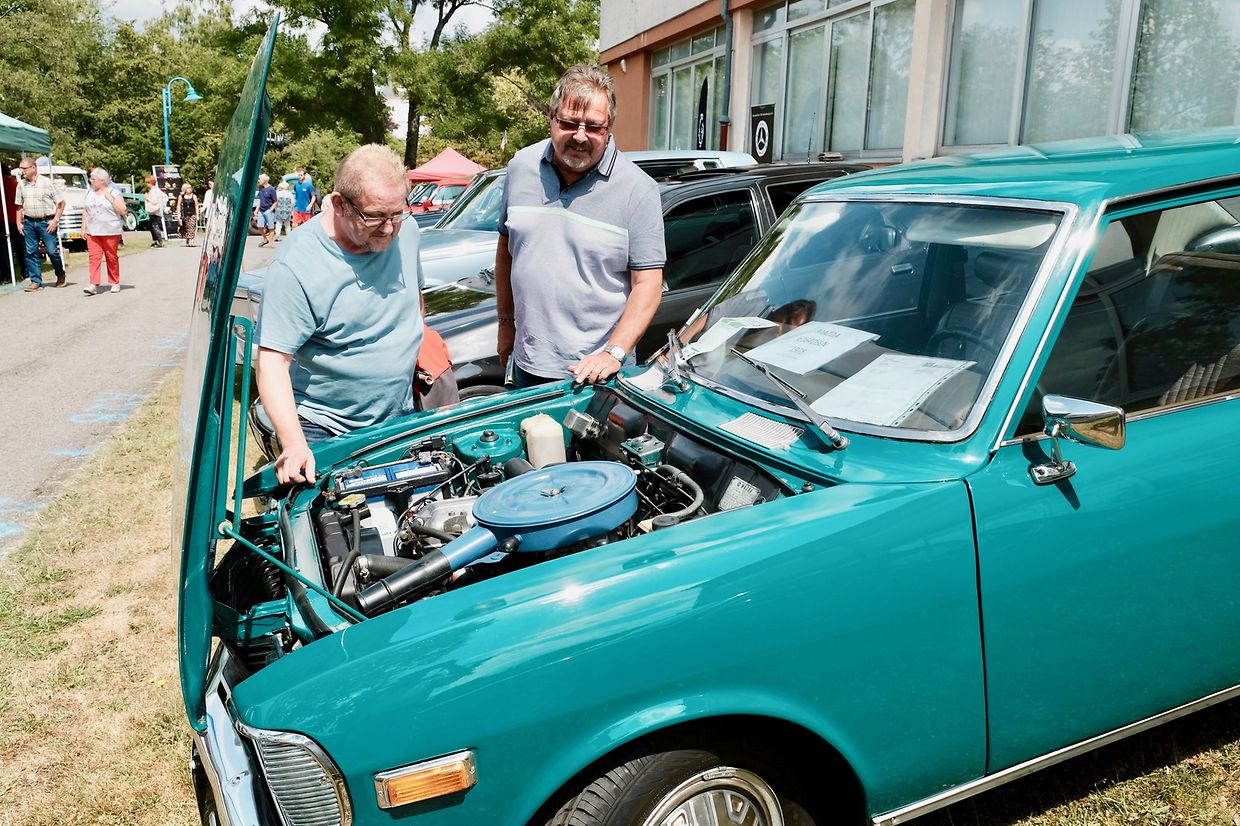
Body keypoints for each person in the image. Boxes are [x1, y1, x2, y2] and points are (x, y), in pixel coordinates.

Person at [255, 144, 427, 485]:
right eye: (375, 216)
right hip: (326, 428)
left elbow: (414, 300)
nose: (389, 229)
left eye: (397, 213)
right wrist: (293, 443)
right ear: (338, 204)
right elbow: (272, 362)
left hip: (400, 414)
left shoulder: (407, 231)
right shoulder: (296, 266)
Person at [495, 64, 665, 388]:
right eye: (569, 123)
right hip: (527, 364)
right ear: (551, 117)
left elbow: (648, 284)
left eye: (594, 127)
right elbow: (507, 251)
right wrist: (505, 324)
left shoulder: (638, 189)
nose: (580, 136)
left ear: (609, 128)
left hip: (599, 377)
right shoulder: (520, 168)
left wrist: (614, 353)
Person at [14, 157, 67, 291]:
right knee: (30, 252)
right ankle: (35, 281)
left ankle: (60, 274)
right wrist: (19, 223)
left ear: (33, 168)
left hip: (46, 222)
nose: (22, 171)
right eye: (21, 168)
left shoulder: (47, 183)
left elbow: (61, 203)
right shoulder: (21, 185)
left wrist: (55, 220)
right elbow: (19, 206)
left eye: (24, 168)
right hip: (29, 222)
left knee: (52, 251)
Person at [81, 167, 127, 295]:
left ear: (102, 180)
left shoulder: (113, 192)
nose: (91, 181)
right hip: (92, 230)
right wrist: (83, 227)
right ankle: (93, 284)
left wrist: (110, 199)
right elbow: (85, 210)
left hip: (110, 230)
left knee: (111, 257)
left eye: (93, 179)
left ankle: (114, 282)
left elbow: (123, 210)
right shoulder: (89, 192)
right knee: (94, 257)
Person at [1, 163, 21, 282]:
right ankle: (26, 271)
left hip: (2, 220)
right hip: (15, 219)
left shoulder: (2, 184)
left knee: (3, 248)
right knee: (20, 247)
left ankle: (6, 273)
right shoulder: (16, 184)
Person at [254, 174, 278, 246]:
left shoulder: (271, 189)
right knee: (260, 226)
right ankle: (265, 239)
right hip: (261, 210)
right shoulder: (261, 188)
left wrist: (271, 209)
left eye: (260, 179)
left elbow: (276, 201)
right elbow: (260, 200)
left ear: (264, 180)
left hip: (269, 210)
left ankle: (271, 243)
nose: (259, 181)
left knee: (271, 227)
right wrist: (256, 209)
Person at [144, 176, 166, 247]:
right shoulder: (158, 190)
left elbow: (154, 201)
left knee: (154, 226)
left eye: (147, 183)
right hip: (159, 211)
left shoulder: (153, 191)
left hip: (155, 212)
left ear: (149, 183)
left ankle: (159, 241)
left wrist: (147, 197)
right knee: (151, 226)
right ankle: (156, 240)